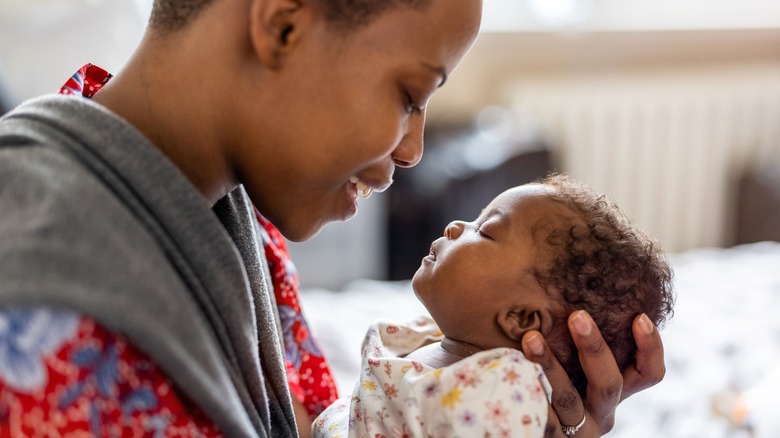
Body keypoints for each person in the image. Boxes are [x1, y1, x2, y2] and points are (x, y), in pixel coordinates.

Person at [0, 0, 666, 436]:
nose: (413, 151)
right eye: (410, 94)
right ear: (283, 24)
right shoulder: (46, 327)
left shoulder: (228, 211)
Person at [314, 174, 674, 437]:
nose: (456, 226)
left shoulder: (499, 397)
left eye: (484, 231)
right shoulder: (436, 340)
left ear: (520, 318)